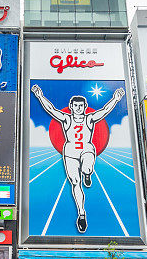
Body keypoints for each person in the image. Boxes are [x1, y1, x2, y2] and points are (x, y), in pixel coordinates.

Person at [30, 84, 125, 233]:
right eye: (76, 106)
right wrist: (40, 96)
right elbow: (51, 110)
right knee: (75, 182)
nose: (78, 108)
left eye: (81, 105)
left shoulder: (90, 118)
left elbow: (105, 111)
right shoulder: (66, 119)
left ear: (85, 106)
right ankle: (81, 213)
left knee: (87, 167)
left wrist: (116, 99)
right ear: (71, 107)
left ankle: (87, 173)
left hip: (86, 149)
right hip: (70, 152)